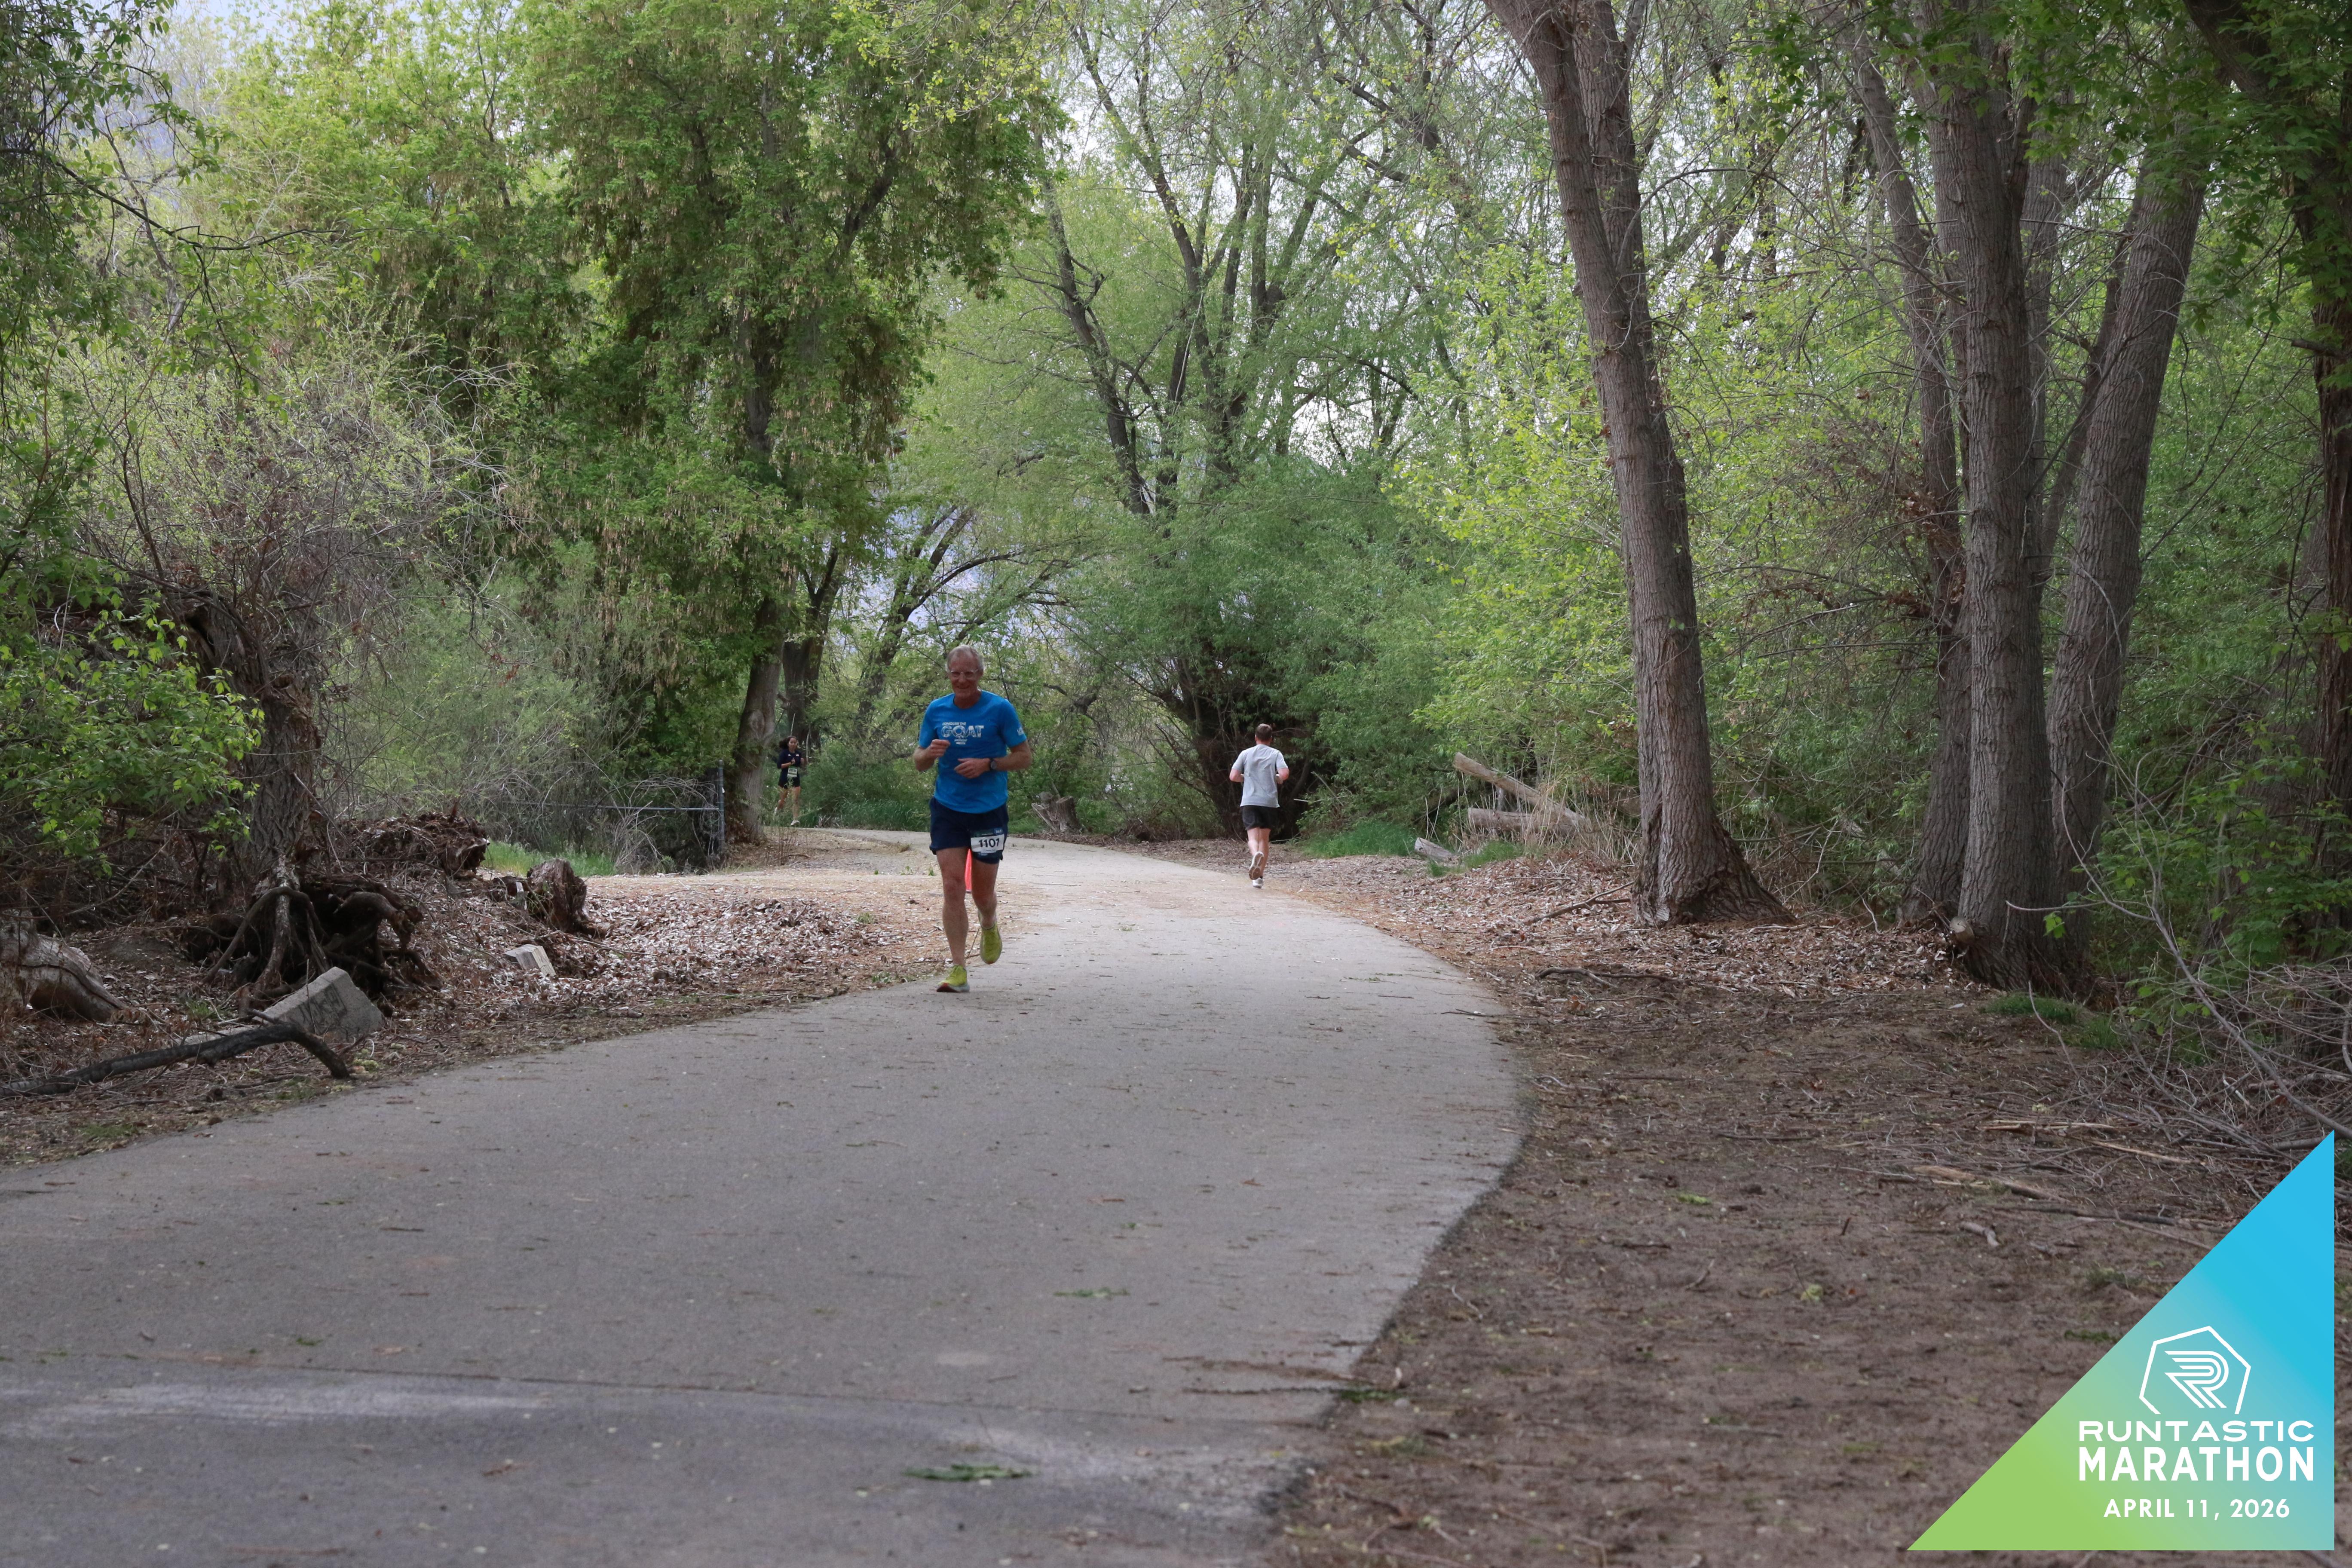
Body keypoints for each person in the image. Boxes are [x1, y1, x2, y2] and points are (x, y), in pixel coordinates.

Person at [914, 646, 1031, 992]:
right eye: (956, 673)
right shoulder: (937, 710)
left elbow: (1024, 757)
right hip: (948, 808)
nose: (962, 680)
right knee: (952, 886)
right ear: (948, 674)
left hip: (988, 810)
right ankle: (958, 969)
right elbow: (919, 761)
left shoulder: (999, 709)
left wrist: (989, 764)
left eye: (969, 674)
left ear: (980, 674)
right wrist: (929, 753)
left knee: (982, 894)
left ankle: (989, 921)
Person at [1229, 722, 1290, 888]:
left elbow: (1233, 776)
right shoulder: (1276, 754)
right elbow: (1284, 774)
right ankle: (1259, 878)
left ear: (1256, 738)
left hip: (1250, 800)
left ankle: (1256, 855)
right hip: (1269, 802)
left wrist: (1245, 777)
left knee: (1253, 838)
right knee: (1264, 838)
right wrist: (1277, 778)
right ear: (1271, 739)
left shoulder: (1246, 754)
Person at [775, 734, 806, 826]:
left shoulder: (798, 754)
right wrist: (790, 763)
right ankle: (777, 810)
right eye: (791, 742)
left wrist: (802, 762)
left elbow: (799, 765)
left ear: (797, 744)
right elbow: (779, 766)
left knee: (795, 800)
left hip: (795, 778)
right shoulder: (784, 753)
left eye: (795, 743)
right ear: (788, 744)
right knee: (783, 801)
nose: (793, 744)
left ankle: (795, 820)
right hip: (785, 778)